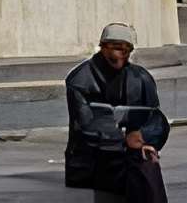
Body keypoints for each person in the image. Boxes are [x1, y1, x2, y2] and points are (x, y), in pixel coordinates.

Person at [65, 24, 170, 196]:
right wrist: (124, 139)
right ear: (103, 47)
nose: (122, 54)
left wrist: (145, 138)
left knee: (147, 164)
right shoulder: (80, 79)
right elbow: (84, 125)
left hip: (131, 149)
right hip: (93, 153)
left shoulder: (141, 77)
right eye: (116, 48)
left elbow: (156, 118)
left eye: (127, 50)